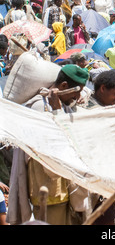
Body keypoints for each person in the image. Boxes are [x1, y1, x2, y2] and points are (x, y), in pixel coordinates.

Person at [9, 65, 90, 225]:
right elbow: (53, 146)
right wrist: (57, 112)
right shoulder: (41, 106)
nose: (78, 96)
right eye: (77, 91)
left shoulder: (60, 105)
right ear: (64, 86)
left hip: (64, 190)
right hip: (49, 192)